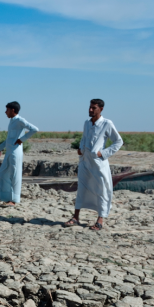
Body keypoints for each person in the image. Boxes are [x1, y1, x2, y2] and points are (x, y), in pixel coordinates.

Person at [64, 99, 123, 231]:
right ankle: (76, 217)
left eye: (93, 108)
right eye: (90, 107)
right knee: (82, 188)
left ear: (101, 109)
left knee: (101, 189)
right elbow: (84, 138)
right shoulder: (86, 123)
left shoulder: (107, 123)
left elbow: (118, 141)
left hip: (98, 163)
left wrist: (103, 153)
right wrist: (80, 148)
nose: (90, 110)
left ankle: (100, 220)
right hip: (85, 161)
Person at [0, 101, 38, 207]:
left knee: (15, 175)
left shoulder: (20, 120)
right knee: (1, 174)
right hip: (9, 152)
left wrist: (22, 139)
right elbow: (8, 139)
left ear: (12, 110)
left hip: (16, 152)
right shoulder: (11, 122)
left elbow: (34, 129)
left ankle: (13, 200)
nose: (5, 112)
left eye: (7, 110)